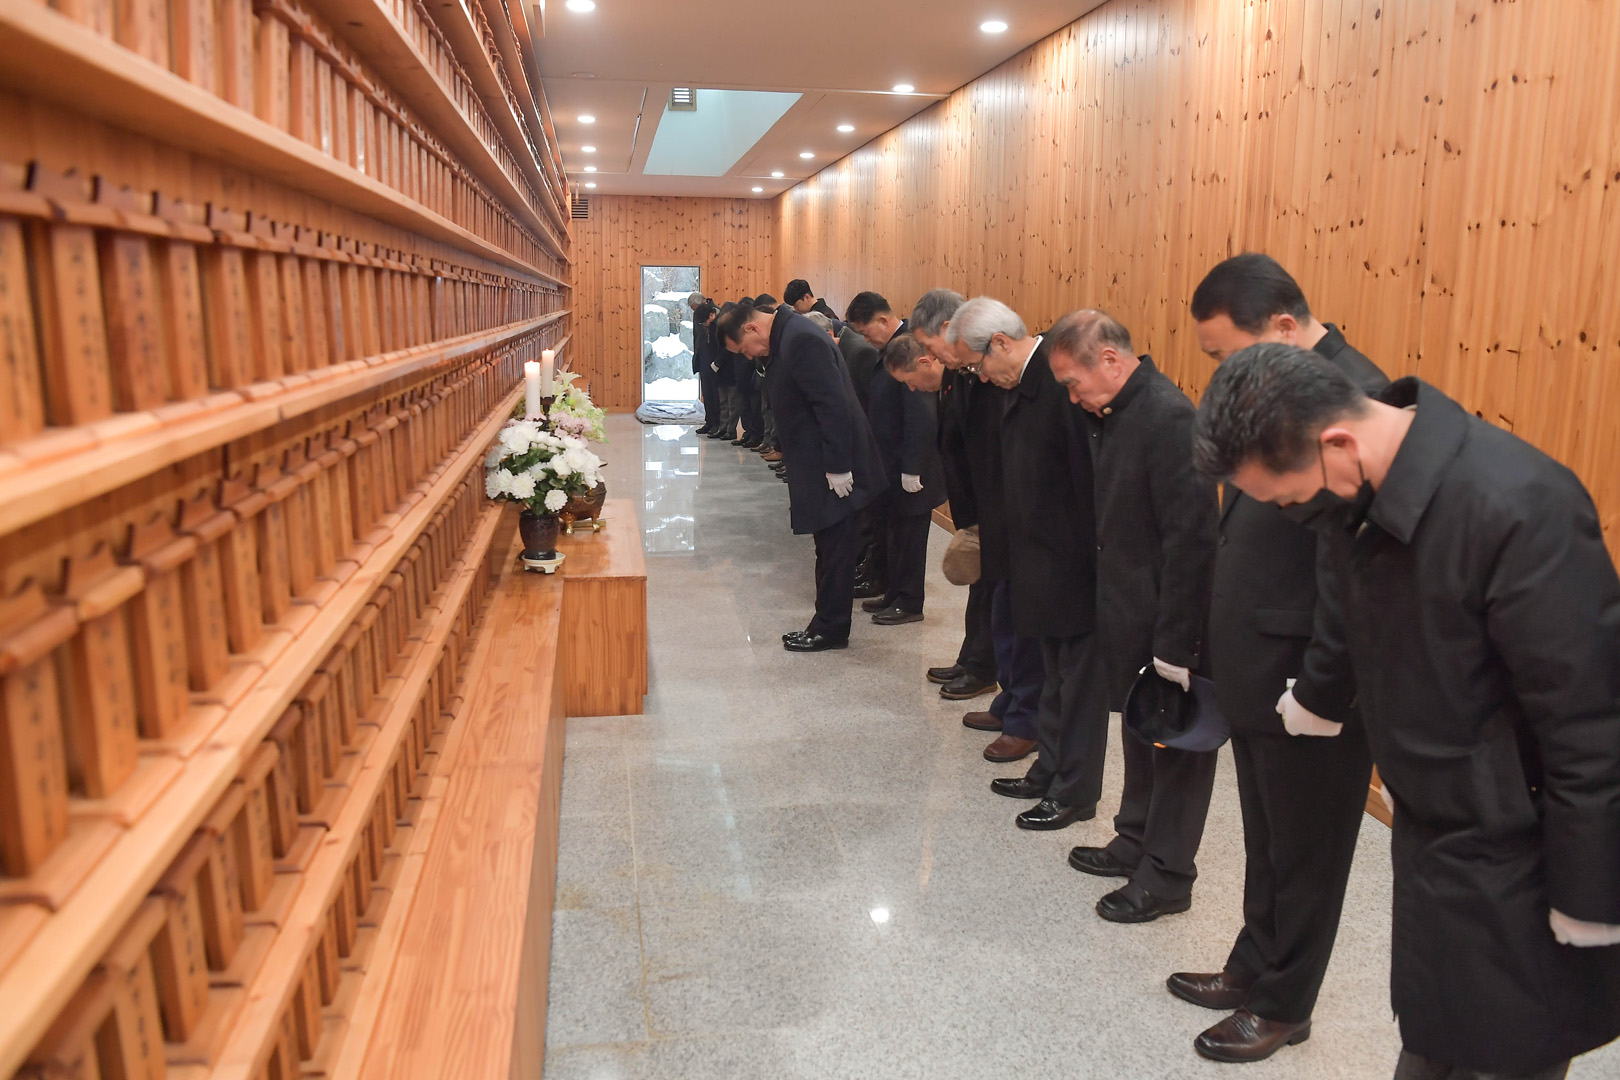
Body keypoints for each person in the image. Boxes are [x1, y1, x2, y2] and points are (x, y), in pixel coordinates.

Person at [1193, 343, 1620, 1080]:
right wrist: (1327, 705)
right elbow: (1359, 627)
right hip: (1435, 832)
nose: (1293, 515)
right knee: (1436, 1031)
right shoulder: (1361, 501)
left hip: (1520, 848)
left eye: (1288, 498)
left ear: (1337, 443)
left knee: (1508, 1045)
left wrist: (1589, 898)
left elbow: (1590, 722)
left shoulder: (1519, 505)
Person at [1161, 255, 1390, 1064]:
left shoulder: (1356, 399)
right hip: (1261, 664)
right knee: (1267, 837)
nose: (1220, 371)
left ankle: (1286, 1003)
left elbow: (1353, 576)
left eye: (1224, 352)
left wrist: (1323, 690)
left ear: (1284, 328)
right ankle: (1253, 965)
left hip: (1311, 679)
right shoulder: (1279, 388)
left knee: (1309, 850)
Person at [1050, 310, 1219, 923]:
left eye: (1074, 383)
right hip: (1128, 610)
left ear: (1111, 361)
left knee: (1176, 749)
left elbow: (1192, 539)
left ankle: (1168, 874)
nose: (1072, 398)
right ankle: (1135, 838)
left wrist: (1176, 645)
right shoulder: (1114, 414)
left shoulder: (1168, 417)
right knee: (1140, 733)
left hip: (1170, 621)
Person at [945, 298, 1103, 821]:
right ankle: (1047, 771)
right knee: (1054, 678)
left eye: (978, 365)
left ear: (1001, 344)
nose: (979, 377)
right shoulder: (1021, 384)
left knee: (1074, 686)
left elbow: (1085, 482)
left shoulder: (1057, 385)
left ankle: (1073, 790)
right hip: (1031, 553)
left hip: (1065, 561)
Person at [718, 299, 884, 651]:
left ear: (751, 327)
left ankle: (831, 629)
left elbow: (832, 404)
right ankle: (825, 622)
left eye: (745, 350)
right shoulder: (788, 336)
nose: (749, 356)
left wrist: (838, 466)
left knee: (836, 549)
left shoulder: (801, 339)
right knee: (827, 546)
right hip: (818, 462)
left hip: (833, 466)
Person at [910, 290, 1001, 709]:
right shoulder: (958, 372)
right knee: (977, 587)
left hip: (990, 504)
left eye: (928, 346)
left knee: (990, 590)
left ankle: (983, 668)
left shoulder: (985, 374)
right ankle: (970, 658)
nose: (928, 356)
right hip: (969, 501)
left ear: (948, 329)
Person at [862, 334, 945, 625]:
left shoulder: (918, 374)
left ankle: (910, 601)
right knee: (895, 536)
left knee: (910, 541)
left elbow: (921, 419)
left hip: (914, 472)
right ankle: (895, 592)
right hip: (893, 468)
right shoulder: (902, 363)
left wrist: (912, 468)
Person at [692, 301, 722, 436]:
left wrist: (717, 363)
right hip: (703, 361)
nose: (703, 325)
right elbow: (697, 339)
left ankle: (717, 423)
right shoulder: (701, 318)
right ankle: (709, 421)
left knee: (716, 395)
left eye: (704, 322)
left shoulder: (720, 322)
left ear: (711, 315)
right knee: (707, 394)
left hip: (716, 364)